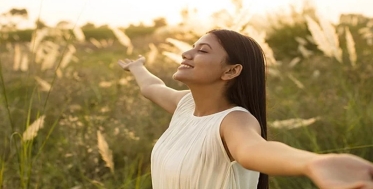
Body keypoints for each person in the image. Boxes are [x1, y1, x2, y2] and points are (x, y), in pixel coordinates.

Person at [118, 29, 373, 189]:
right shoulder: (185, 105)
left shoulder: (234, 121)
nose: (186, 53)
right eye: (192, 47)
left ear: (231, 70)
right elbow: (151, 87)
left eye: (202, 50)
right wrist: (138, 67)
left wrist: (314, 163)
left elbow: (255, 149)